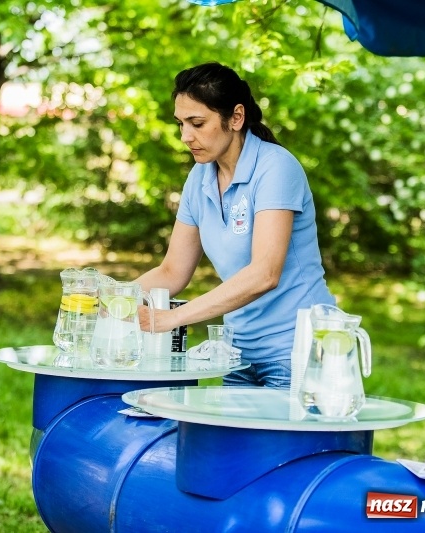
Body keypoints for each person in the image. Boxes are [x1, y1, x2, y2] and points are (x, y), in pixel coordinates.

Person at [136, 62, 336, 389]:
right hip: (237, 351)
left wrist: (172, 319)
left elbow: (264, 273)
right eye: (181, 124)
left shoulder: (276, 168)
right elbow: (172, 271)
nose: (186, 136)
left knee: (279, 442)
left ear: (237, 118)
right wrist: (116, 298)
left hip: (297, 348)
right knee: (235, 442)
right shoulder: (199, 178)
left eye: (197, 123)